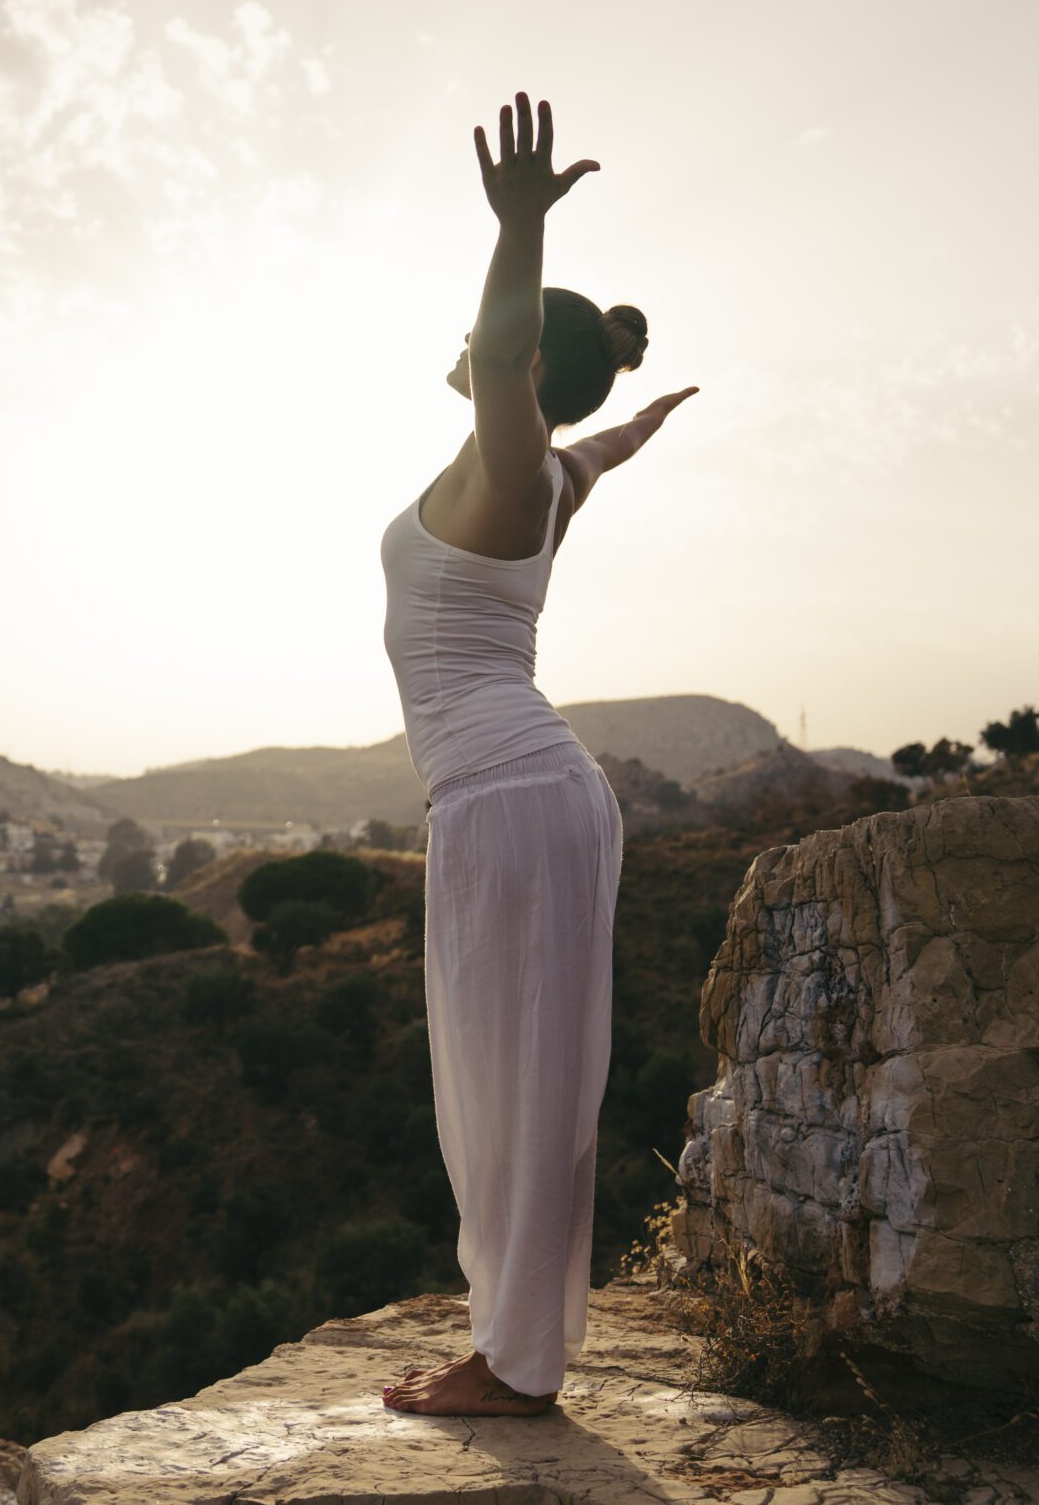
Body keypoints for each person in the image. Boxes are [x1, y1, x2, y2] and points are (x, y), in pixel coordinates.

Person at [376, 92, 697, 1417]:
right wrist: (633, 399)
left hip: (510, 798)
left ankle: (512, 1366)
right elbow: (603, 443)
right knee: (526, 1076)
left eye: (489, 341)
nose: (469, 347)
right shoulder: (553, 477)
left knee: (510, 1085)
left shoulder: (514, 472)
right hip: (528, 793)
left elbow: (515, 371)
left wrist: (516, 235)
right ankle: (516, 1347)